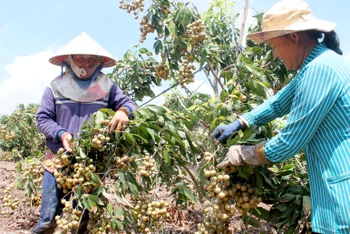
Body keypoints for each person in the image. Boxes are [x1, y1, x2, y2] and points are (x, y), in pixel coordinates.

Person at [210, 0, 350, 233]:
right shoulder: (318, 65)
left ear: (294, 37)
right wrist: (240, 122)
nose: (274, 55)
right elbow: (278, 103)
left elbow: (288, 144)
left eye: (274, 46)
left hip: (340, 199)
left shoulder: (320, 70)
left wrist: (244, 154)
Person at [34, 32, 136, 234]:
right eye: (81, 58)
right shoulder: (55, 87)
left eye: (92, 60)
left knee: (82, 218)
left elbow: (128, 104)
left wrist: (123, 112)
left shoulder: (107, 87)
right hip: (59, 159)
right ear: (69, 60)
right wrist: (61, 134)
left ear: (99, 62)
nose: (86, 64)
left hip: (91, 162)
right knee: (48, 218)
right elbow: (43, 119)